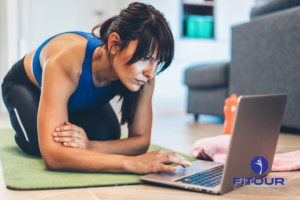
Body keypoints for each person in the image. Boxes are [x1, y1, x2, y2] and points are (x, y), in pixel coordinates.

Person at [1, 2, 192, 174]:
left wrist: (90, 146)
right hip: (25, 86)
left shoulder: (146, 76)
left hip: (76, 98)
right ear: (115, 44)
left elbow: (140, 141)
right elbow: (53, 157)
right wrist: (132, 164)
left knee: (107, 135)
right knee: (40, 145)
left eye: (158, 62)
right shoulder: (65, 61)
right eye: (145, 58)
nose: (151, 72)